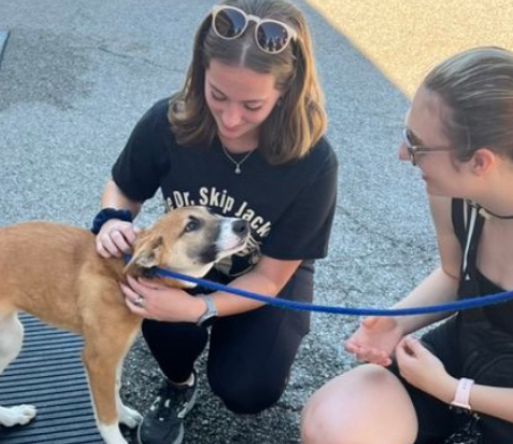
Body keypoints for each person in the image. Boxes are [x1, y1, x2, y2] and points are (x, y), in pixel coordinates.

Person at [301, 46, 513, 444]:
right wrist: (394, 322)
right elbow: (454, 273)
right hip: (466, 351)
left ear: (481, 162)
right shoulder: (453, 189)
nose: (402, 154)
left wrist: (454, 391)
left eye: (416, 146)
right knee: (333, 422)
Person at [92, 1, 337, 443]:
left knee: (246, 389)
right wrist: (112, 219)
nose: (230, 119)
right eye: (217, 95)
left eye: (252, 105)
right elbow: (123, 188)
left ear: (286, 90)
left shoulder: (313, 161)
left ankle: (215, 336)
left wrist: (198, 309)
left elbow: (268, 278)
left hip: (265, 271)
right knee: (142, 291)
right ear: (200, 72)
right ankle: (178, 384)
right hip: (185, 262)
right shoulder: (168, 120)